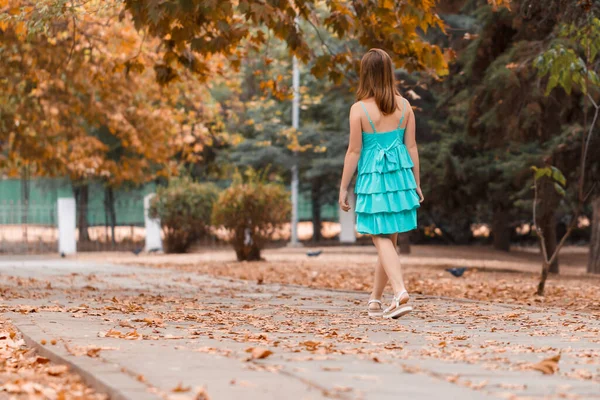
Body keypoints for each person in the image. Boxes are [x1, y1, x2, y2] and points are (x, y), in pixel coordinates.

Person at [339, 48, 424, 319]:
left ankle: (400, 292)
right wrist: (416, 183)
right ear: (389, 73)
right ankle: (375, 301)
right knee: (389, 241)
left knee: (379, 236)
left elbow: (354, 151)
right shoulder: (405, 106)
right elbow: (411, 147)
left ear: (366, 74)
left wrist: (343, 188)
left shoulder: (359, 109)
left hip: (373, 180)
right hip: (400, 179)